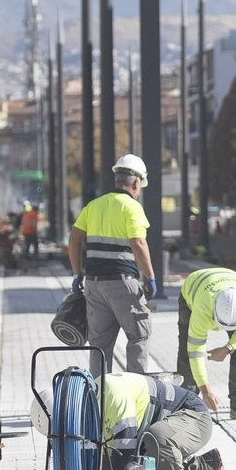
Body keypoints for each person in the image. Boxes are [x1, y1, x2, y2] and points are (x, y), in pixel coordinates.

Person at [100, 372, 226, 470]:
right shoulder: (91, 404)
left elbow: (124, 451)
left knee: (157, 436)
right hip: (164, 428)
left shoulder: (113, 396)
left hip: (195, 417)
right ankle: (200, 469)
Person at [69, 155, 157, 375]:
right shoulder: (132, 207)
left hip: (93, 285)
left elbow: (74, 239)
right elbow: (138, 242)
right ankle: (136, 396)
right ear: (136, 183)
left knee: (99, 347)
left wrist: (77, 273)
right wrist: (150, 277)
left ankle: (100, 401)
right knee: (139, 336)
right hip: (122, 285)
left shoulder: (94, 205)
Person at [176, 267, 236, 420]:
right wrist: (206, 390)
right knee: (186, 349)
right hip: (193, 287)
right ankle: (189, 403)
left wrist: (228, 348)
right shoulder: (202, 309)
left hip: (229, 278)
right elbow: (195, 352)